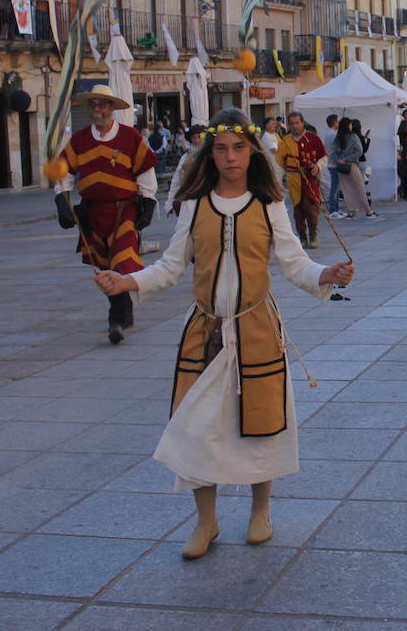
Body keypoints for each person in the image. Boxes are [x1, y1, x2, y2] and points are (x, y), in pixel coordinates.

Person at [95, 110, 353, 559]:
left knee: (261, 422)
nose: (230, 157)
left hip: (256, 326)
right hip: (205, 329)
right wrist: (127, 281)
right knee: (197, 427)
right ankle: (206, 522)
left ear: (252, 152)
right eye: (221, 149)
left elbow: (294, 263)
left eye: (238, 148)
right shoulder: (194, 205)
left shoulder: (269, 202)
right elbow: (171, 266)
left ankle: (260, 512)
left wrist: (325, 274)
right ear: (209, 154)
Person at [52, 84, 158, 345]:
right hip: (92, 214)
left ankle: (116, 319)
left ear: (112, 108)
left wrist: (147, 205)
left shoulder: (130, 137)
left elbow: (145, 173)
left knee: (122, 264)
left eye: (103, 104)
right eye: (94, 104)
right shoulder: (79, 140)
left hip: (124, 213)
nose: (98, 109)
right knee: (103, 268)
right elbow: (63, 173)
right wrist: (62, 203)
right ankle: (124, 311)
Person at [276, 111, 326, 249]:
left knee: (311, 207)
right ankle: (302, 237)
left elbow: (323, 156)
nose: (295, 126)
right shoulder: (285, 141)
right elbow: (279, 164)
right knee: (298, 210)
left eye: (297, 123)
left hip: (310, 178)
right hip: (294, 178)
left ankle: (313, 235)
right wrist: (277, 184)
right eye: (292, 123)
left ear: (302, 123)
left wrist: (318, 167)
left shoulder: (313, 139)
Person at [330, 118, 375, 219]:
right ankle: (368, 211)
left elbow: (334, 152)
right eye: (350, 124)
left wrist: (340, 160)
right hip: (351, 165)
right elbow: (359, 151)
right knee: (360, 188)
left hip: (340, 166)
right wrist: (346, 159)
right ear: (347, 126)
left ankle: (350, 212)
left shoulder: (338, 138)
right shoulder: (353, 136)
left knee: (346, 190)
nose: (351, 126)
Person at [167, 125, 207, 215]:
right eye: (193, 137)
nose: (196, 140)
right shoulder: (185, 157)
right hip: (188, 199)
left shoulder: (211, 156)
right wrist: (169, 203)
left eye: (199, 137)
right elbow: (176, 181)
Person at [321, 113, 341, 217]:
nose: (339, 123)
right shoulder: (332, 135)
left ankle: (335, 209)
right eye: (338, 121)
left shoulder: (327, 133)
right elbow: (338, 149)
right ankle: (333, 210)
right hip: (333, 163)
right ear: (334, 122)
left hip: (331, 162)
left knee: (335, 187)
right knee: (334, 187)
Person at [259, 117, 282, 182]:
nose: (275, 125)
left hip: (277, 166)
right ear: (267, 125)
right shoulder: (267, 136)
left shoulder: (274, 134)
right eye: (272, 123)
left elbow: (281, 145)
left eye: (275, 123)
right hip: (272, 166)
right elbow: (275, 151)